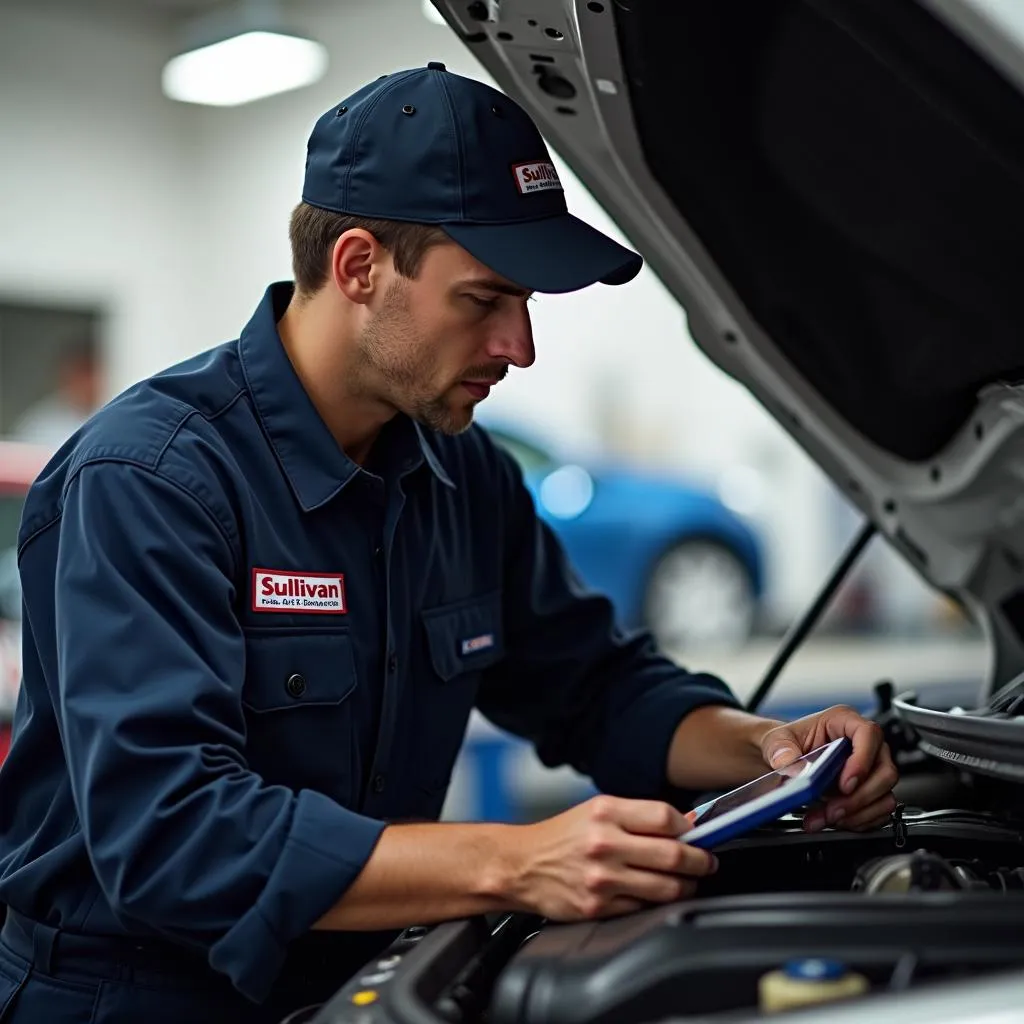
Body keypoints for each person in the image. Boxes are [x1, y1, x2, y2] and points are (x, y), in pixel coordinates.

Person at [0, 65, 899, 1024]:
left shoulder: (465, 480)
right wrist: (516, 859)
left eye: (528, 307)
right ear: (357, 268)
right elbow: (173, 837)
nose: (520, 346)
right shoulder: (150, 483)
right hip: (127, 1000)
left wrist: (766, 750)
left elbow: (594, 686)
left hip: (353, 980)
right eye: (483, 300)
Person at [10, 339, 102, 447]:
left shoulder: (114, 414)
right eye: (82, 374)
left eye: (91, 374)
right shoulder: (41, 423)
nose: (88, 383)